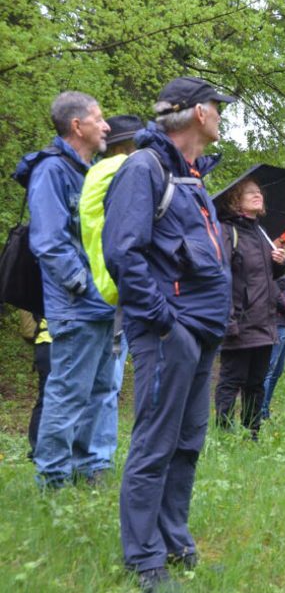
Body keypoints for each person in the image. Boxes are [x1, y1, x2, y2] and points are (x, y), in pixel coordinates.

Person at [104, 76, 236, 591]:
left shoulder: (193, 177)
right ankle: (143, 557)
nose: (221, 115)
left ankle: (174, 539)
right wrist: (164, 321)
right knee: (155, 443)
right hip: (170, 330)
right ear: (199, 114)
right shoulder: (144, 169)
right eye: (217, 107)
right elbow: (123, 254)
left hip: (201, 331)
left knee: (187, 441)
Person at [15, 91, 116, 488]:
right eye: (99, 118)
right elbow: (49, 241)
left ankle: (89, 469)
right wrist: (82, 286)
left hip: (103, 305)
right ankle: (53, 479)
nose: (106, 126)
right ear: (78, 126)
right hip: (75, 306)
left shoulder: (89, 172)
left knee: (101, 390)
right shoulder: (52, 171)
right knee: (68, 392)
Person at [76, 113, 145, 469]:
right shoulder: (124, 170)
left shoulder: (97, 172)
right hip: (116, 287)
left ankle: (86, 461)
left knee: (96, 383)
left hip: (98, 285)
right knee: (106, 385)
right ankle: (96, 463)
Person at [214, 178, 285, 438]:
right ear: (236, 199)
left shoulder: (262, 232)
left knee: (256, 383)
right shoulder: (226, 231)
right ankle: (223, 433)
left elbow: (270, 277)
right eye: (250, 193)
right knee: (231, 380)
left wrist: (280, 262)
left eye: (259, 192)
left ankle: (251, 433)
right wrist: (228, 321)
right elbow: (220, 277)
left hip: (265, 320)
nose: (258, 195)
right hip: (239, 320)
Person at [261, 269, 285, 420]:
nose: (284, 246)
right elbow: (275, 292)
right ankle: (260, 412)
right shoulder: (268, 264)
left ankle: (265, 409)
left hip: (284, 323)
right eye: (282, 243)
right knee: (269, 369)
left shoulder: (280, 265)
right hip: (275, 322)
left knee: (277, 370)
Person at [20, 311, 51, 460]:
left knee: (45, 397)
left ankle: (38, 447)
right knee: (47, 397)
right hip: (51, 341)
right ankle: (38, 448)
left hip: (43, 343)